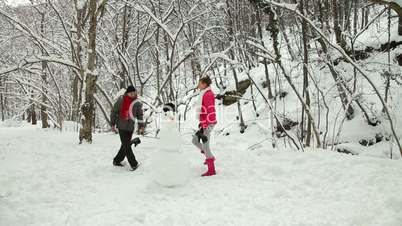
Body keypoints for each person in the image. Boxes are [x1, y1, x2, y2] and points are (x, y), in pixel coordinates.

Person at [110, 85, 145, 171]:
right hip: (121, 126)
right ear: (127, 93)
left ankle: (117, 160)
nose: (132, 94)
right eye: (131, 93)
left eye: (134, 93)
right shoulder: (121, 100)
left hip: (130, 127)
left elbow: (139, 115)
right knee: (127, 145)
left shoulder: (137, 102)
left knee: (125, 145)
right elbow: (114, 112)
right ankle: (134, 164)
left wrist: (141, 126)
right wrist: (112, 124)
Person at [192, 76, 217, 177]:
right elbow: (203, 110)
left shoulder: (207, 95)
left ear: (205, 84)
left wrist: (206, 125)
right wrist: (202, 123)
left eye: (200, 83)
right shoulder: (204, 93)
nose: (198, 85)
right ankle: (210, 156)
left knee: (206, 146)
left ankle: (211, 169)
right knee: (194, 140)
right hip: (204, 122)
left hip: (208, 123)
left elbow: (210, 110)